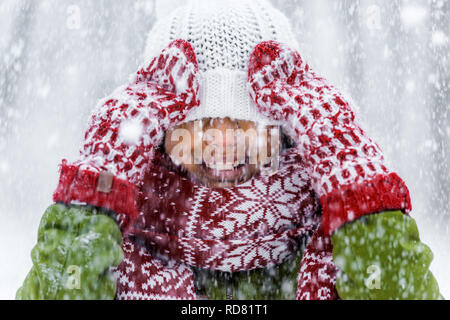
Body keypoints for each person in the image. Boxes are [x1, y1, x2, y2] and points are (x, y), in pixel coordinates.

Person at [17, 0, 441, 300]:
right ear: (158, 135)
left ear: (287, 131)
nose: (220, 150)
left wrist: (355, 180)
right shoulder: (111, 251)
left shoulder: (336, 247)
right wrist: (99, 181)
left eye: (244, 127)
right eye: (195, 128)